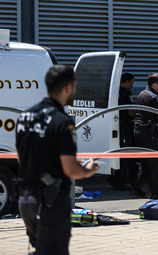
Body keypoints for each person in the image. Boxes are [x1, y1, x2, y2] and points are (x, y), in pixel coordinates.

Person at [15, 65, 100, 255]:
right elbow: (70, 170)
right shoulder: (62, 121)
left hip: (26, 199)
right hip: (50, 201)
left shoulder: (25, 117)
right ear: (68, 87)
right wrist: (88, 169)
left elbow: (22, 158)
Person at [106, 73, 139, 190]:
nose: (132, 86)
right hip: (123, 127)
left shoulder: (112, 91)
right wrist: (138, 114)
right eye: (131, 83)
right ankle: (120, 182)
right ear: (126, 82)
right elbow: (131, 112)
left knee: (116, 153)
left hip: (112, 126)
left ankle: (113, 178)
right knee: (126, 154)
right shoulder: (126, 94)